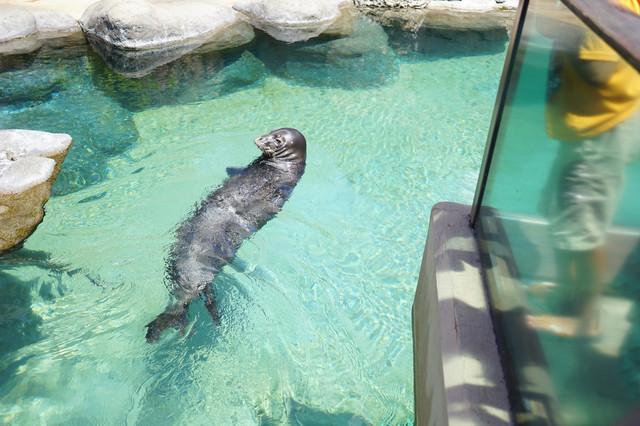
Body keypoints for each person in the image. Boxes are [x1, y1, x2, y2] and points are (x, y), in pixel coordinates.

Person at [528, 0, 640, 337]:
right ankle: (569, 290)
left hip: (603, 129)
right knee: (565, 215)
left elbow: (599, 72)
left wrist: (565, 26)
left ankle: (585, 318)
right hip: (595, 124)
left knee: (584, 228)